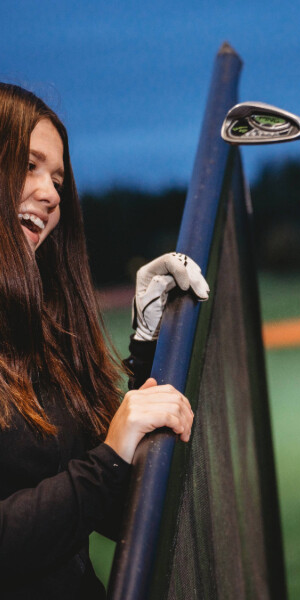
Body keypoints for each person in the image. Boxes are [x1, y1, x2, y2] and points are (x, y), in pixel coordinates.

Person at [0, 82, 209, 598]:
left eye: (57, 177)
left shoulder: (42, 330)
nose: (50, 193)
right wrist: (109, 458)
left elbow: (115, 511)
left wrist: (146, 346)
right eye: (29, 165)